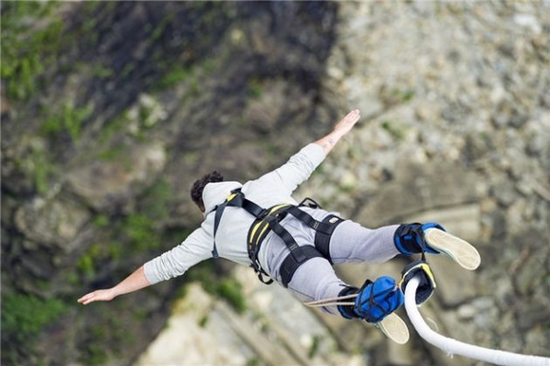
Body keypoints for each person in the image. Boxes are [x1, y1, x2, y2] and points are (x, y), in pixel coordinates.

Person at [78, 109, 480, 327]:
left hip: (285, 257)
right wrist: (339, 132)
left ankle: (368, 303)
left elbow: (161, 267)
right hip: (315, 223)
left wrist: (114, 290)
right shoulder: (262, 183)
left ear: (203, 205)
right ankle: (418, 237)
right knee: (366, 243)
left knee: (328, 295)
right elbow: (306, 157)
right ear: (227, 182)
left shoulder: (208, 234)